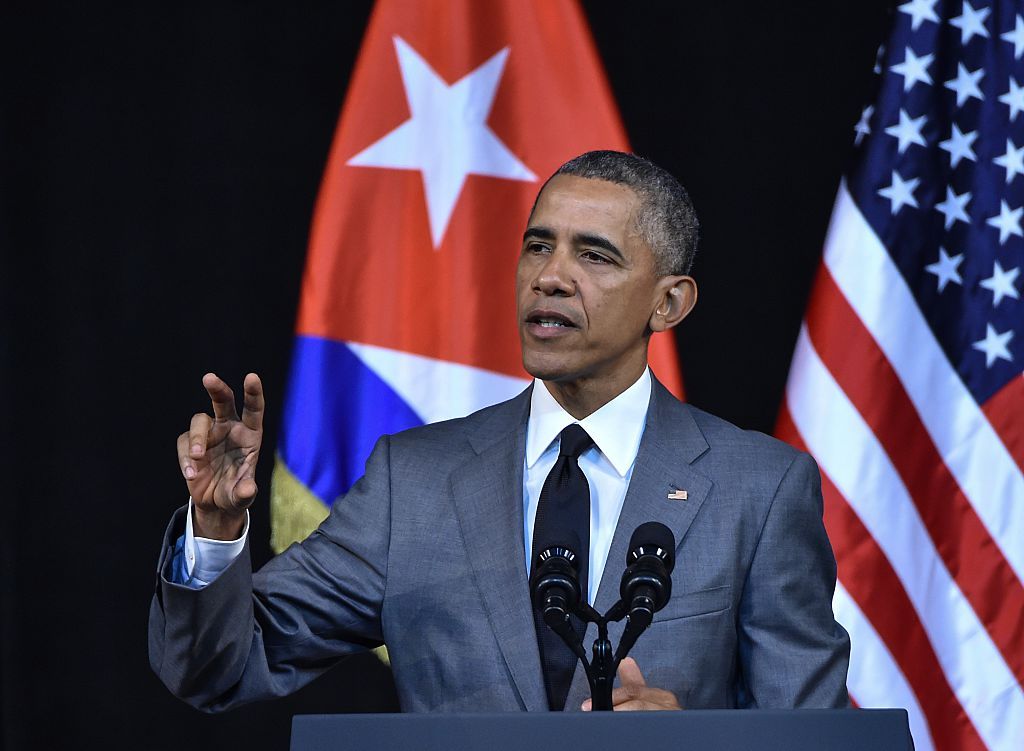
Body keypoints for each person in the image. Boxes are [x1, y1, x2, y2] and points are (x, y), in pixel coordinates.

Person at [150, 150, 850, 713]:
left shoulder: (758, 487)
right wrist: (213, 532)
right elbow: (221, 666)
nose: (550, 276)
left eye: (594, 256)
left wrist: (693, 746)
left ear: (669, 301)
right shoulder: (413, 481)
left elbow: (816, 734)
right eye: (538, 246)